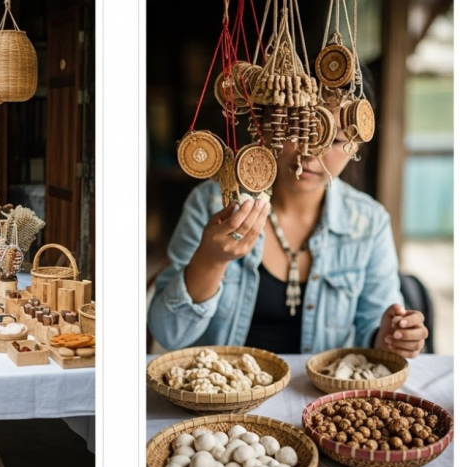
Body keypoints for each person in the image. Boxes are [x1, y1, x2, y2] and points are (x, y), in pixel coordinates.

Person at [148, 74, 429, 359]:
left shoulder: (368, 222)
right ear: (267, 126)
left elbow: (376, 327)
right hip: (225, 395)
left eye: (335, 140)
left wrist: (393, 337)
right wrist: (210, 260)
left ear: (357, 145)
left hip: (321, 396)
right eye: (298, 130)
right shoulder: (214, 204)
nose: (310, 153)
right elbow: (169, 334)